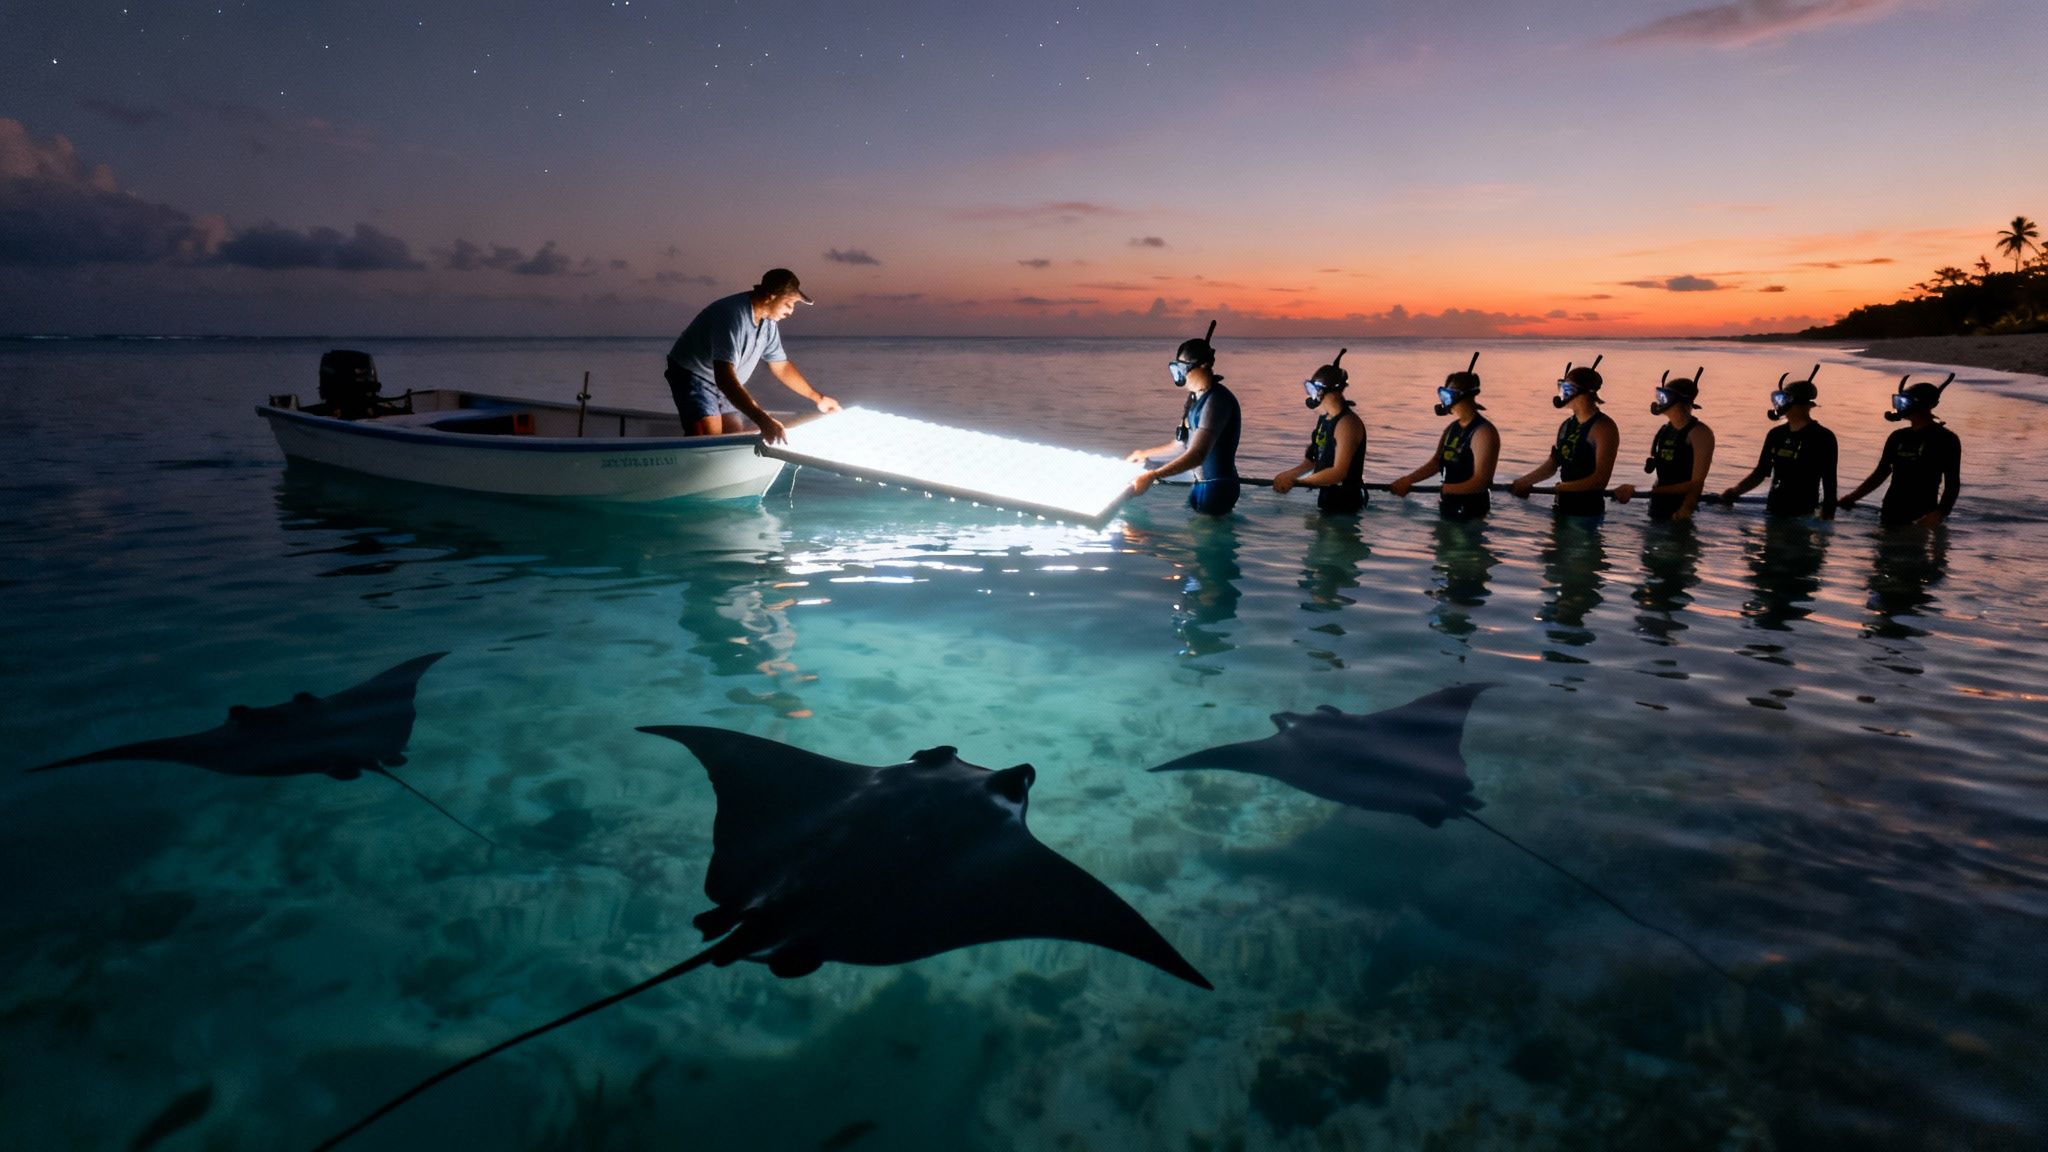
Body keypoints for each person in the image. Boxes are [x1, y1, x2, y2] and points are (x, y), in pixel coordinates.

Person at [664, 268, 839, 444]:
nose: (791, 311)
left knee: (734, 433)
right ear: (771, 296)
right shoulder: (731, 316)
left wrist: (818, 398)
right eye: (788, 303)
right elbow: (724, 377)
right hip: (693, 374)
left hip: (726, 382)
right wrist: (763, 420)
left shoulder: (768, 323)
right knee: (710, 438)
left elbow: (781, 366)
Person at [1127, 321, 1242, 516]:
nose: (1181, 376)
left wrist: (1154, 475)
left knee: (1199, 542)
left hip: (1217, 489)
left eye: (1184, 369)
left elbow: (1197, 454)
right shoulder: (1197, 399)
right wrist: (1147, 454)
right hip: (1202, 487)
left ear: (1204, 366)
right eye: (1176, 370)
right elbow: (1182, 446)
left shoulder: (1216, 402)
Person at [1840, 374, 1962, 528]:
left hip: (1923, 515)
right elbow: (1881, 473)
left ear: (1921, 405)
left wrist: (1939, 514)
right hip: (1890, 510)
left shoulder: (1946, 439)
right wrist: (1852, 497)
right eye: (1898, 402)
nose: (1899, 407)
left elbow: (1953, 484)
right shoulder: (1898, 437)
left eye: (1904, 402)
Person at [1716, 368, 1836, 519]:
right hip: (1773, 511)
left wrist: (1825, 525)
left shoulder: (1823, 437)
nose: (1778, 404)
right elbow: (1760, 472)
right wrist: (1734, 492)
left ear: (1796, 403)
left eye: (1782, 400)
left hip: (1803, 516)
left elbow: (1830, 484)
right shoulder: (1776, 435)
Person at [1390, 353, 1499, 520]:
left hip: (1470, 512)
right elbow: (1436, 463)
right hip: (1448, 505)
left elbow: (1482, 481)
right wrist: (1408, 480)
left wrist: (1447, 489)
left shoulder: (1484, 433)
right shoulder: (1452, 429)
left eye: (1447, 397)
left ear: (1463, 396)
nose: (1445, 403)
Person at [1511, 359, 1618, 517]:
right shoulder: (1567, 426)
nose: (1561, 394)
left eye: (1566, 389)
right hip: (1562, 507)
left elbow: (1600, 480)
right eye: (1560, 387)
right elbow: (1553, 463)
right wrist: (1526, 481)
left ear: (1583, 392)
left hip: (1587, 513)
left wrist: (1562, 487)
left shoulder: (1604, 428)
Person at [1272, 348, 1366, 514]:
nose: (1312, 395)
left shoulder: (1348, 424)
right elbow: (1312, 462)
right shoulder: (1324, 420)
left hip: (1345, 507)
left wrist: (1298, 483)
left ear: (1327, 391)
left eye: (1314, 390)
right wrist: (1287, 475)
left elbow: (1339, 472)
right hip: (1326, 502)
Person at [1613, 369, 1715, 521]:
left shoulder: (1699, 433)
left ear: (1678, 400)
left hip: (1678, 512)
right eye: (1658, 396)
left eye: (1663, 397)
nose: (1659, 401)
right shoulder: (1665, 430)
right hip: (1657, 505)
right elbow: (1660, 475)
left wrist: (1685, 510)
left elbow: (1696, 483)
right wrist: (1635, 488)